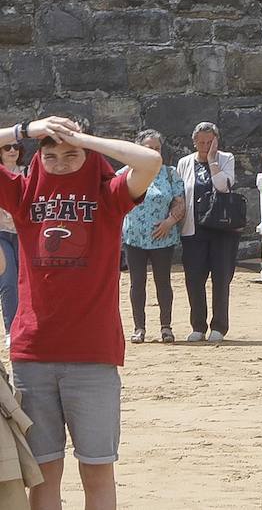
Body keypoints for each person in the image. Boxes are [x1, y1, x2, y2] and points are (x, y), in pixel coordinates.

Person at [1, 115, 162, 507]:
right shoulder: (23, 193)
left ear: (88, 156)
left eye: (71, 155)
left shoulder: (109, 194)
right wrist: (26, 131)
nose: (59, 162)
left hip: (93, 355)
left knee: (97, 471)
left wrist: (86, 140)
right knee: (43, 475)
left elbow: (149, 161)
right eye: (51, 155)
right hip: (33, 354)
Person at [176, 121, 238, 343]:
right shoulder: (184, 163)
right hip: (193, 229)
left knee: (221, 278)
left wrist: (212, 161)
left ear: (216, 141)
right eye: (200, 142)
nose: (204, 145)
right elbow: (180, 193)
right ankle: (198, 325)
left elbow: (223, 186)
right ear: (194, 142)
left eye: (209, 141)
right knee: (194, 279)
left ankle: (219, 326)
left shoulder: (226, 158)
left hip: (222, 229)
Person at [122, 130, 183, 345]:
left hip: (162, 237)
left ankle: (166, 326)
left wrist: (169, 222)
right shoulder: (125, 173)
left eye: (157, 148)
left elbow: (179, 201)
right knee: (137, 283)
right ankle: (139, 328)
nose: (155, 152)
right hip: (134, 238)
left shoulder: (170, 174)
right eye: (150, 149)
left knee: (163, 283)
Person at [0, 140, 22, 342]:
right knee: (8, 281)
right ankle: (11, 329)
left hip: (23, 234)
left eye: (16, 146)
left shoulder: (27, 172)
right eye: (8, 147)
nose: (13, 150)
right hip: (1, 233)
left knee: (27, 281)